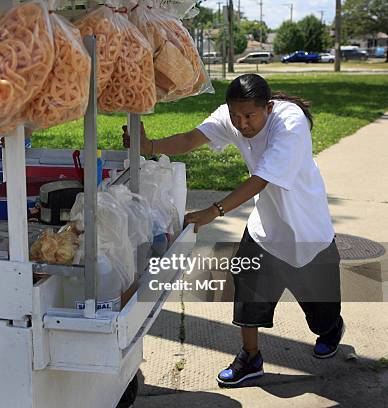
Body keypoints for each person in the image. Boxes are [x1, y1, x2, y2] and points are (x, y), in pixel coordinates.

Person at [123, 73, 344, 387]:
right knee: (247, 291)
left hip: (308, 230)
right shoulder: (236, 115)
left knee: (322, 315)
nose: (242, 124)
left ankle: (332, 328)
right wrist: (149, 146)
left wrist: (213, 212)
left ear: (268, 107)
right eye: (235, 116)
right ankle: (250, 358)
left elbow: (261, 179)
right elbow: (191, 138)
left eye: (249, 116)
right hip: (265, 228)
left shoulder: (290, 124)